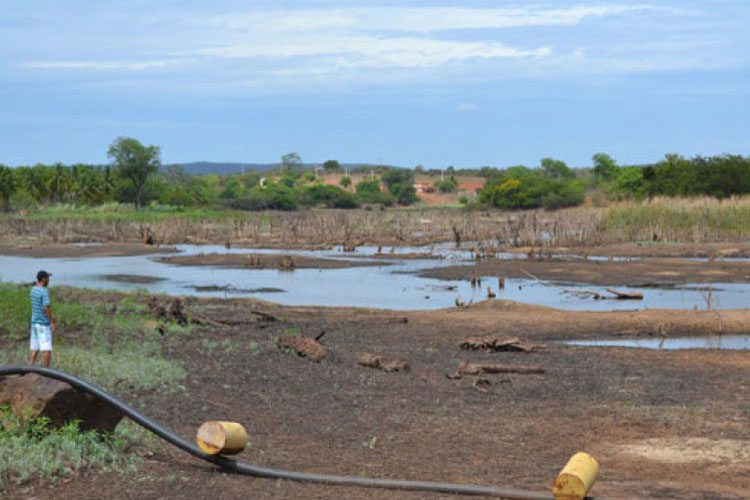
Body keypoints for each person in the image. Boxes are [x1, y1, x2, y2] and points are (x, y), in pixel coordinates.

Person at [29, 270, 55, 367]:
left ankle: (30, 366)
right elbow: (46, 307)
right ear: (43, 279)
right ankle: (47, 370)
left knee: (34, 347)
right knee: (46, 347)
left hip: (34, 323)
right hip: (43, 324)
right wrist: (51, 322)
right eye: (48, 278)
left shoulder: (33, 289)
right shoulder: (44, 291)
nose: (49, 280)